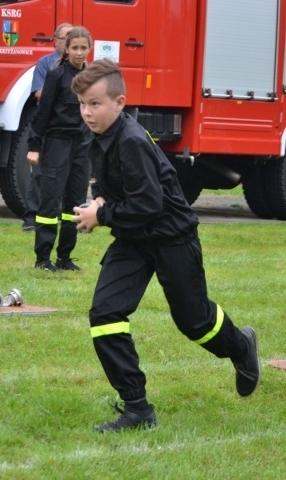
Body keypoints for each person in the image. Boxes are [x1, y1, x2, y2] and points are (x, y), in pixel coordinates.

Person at [71, 59, 260, 432]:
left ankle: (241, 346)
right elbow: (112, 190)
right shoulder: (98, 137)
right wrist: (97, 203)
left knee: (195, 322)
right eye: (82, 104)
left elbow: (148, 204)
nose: (87, 112)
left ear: (120, 102)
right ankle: (138, 409)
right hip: (133, 238)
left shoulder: (131, 141)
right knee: (105, 314)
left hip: (171, 237)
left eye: (95, 103)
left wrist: (102, 215)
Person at [27, 26, 93, 272]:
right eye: (74, 47)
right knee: (50, 201)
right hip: (56, 143)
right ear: (66, 48)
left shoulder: (92, 76)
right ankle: (42, 258)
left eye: (83, 48)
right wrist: (34, 146)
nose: (78, 52)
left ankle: (65, 257)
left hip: (82, 145)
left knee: (75, 203)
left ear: (89, 49)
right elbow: (42, 113)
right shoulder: (56, 75)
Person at [21, 22, 73, 232]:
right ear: (55, 41)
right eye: (65, 39)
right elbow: (39, 94)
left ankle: (70, 220)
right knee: (41, 172)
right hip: (51, 125)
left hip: (75, 128)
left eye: (73, 39)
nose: (69, 44)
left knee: (74, 175)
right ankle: (32, 217)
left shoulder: (84, 68)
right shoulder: (47, 64)